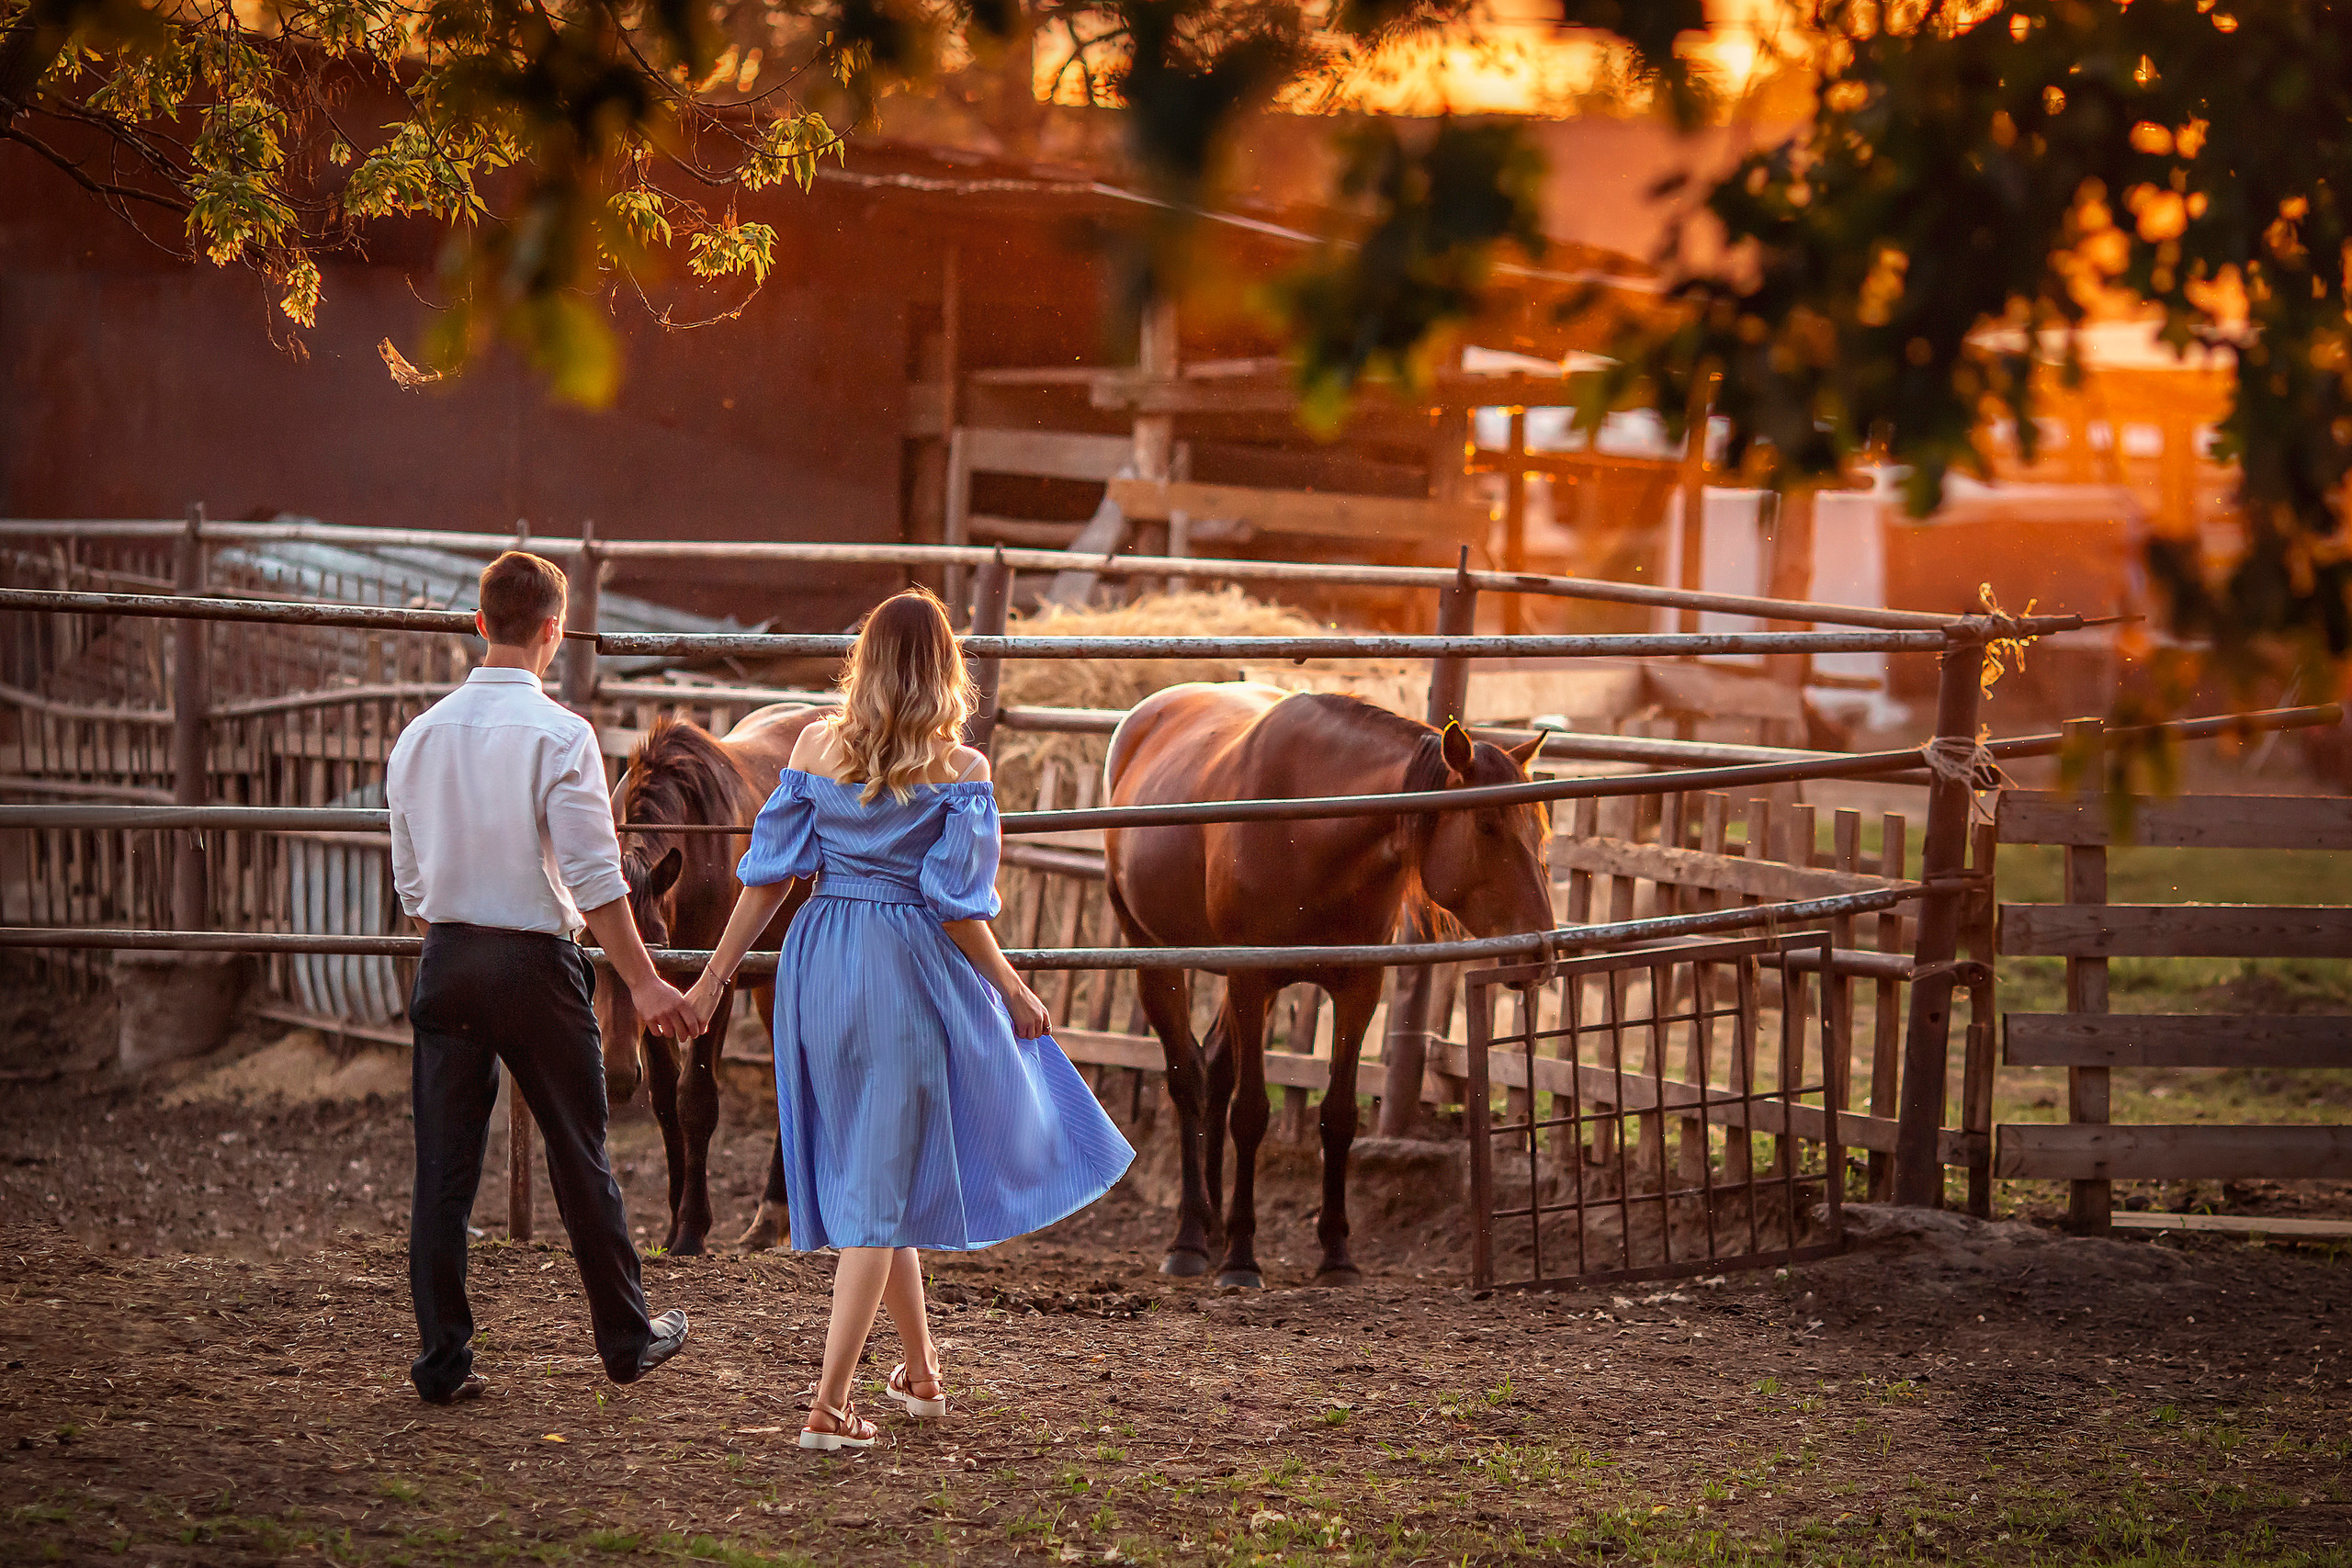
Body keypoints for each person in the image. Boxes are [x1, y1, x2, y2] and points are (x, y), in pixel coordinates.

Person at [684, 586, 1135, 1450]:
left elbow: (768, 875)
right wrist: (1009, 984)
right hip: (902, 968)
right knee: (878, 1196)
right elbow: (958, 906)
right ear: (945, 669)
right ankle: (827, 1405)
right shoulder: (960, 770)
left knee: (880, 1173)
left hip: (820, 965)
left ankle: (922, 1370)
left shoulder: (815, 744)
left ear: (867, 663)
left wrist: (712, 980)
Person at [388, 549, 698, 1406]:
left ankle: (443, 1362)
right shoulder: (563, 736)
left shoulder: (417, 737)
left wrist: (455, 941)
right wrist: (643, 983)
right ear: (554, 632)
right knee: (579, 1151)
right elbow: (599, 882)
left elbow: (411, 882)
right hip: (534, 963)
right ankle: (626, 1339)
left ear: (479, 624)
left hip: (447, 957)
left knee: (442, 1172)